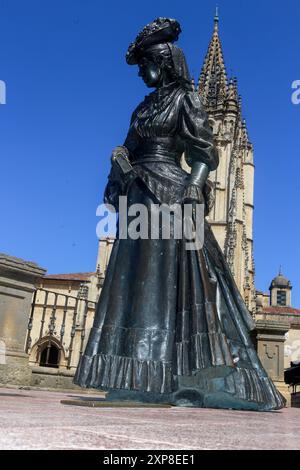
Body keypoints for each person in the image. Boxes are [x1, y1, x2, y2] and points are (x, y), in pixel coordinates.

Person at [74, 18, 285, 410]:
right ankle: (138, 377)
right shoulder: (143, 108)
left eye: (146, 65)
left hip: (171, 197)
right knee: (135, 286)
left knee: (173, 285)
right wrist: (117, 166)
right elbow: (129, 148)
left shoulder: (186, 100)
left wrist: (193, 186)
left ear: (164, 62)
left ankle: (186, 378)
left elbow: (205, 152)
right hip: (138, 198)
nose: (141, 73)